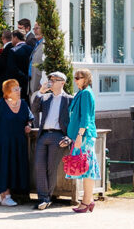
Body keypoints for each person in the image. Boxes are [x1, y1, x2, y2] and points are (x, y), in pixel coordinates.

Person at [0, 78, 34, 206]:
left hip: (18, 143)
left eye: (19, 89)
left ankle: (16, 194)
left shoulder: (23, 104)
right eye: (15, 89)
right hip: (2, 143)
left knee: (15, 168)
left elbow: (29, 119)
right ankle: (5, 195)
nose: (18, 91)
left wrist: (28, 125)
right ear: (8, 92)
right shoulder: (0, 104)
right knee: (4, 167)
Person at [30, 71, 73, 209]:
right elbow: (34, 109)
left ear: (62, 82)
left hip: (58, 136)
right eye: (50, 79)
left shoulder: (69, 99)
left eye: (54, 79)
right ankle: (43, 198)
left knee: (51, 167)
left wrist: (70, 138)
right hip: (43, 135)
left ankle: (46, 198)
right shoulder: (45, 98)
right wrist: (40, 92)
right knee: (39, 166)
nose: (51, 82)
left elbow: (74, 121)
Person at [67, 68, 100, 213]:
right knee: (85, 167)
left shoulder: (86, 93)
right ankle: (88, 200)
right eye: (74, 77)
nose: (75, 80)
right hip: (80, 134)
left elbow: (86, 116)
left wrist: (80, 135)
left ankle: (86, 201)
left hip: (85, 135)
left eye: (78, 78)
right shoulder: (81, 93)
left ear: (86, 79)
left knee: (86, 168)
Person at [10, 31, 32, 96]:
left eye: (12, 38)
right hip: (30, 82)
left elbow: (12, 69)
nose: (11, 40)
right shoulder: (32, 49)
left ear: (15, 38)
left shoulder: (13, 51)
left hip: (17, 83)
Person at [28, 24, 45, 95]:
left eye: (37, 28)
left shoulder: (45, 44)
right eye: (34, 29)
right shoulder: (37, 44)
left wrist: (42, 82)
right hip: (31, 82)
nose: (35, 31)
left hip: (39, 84)